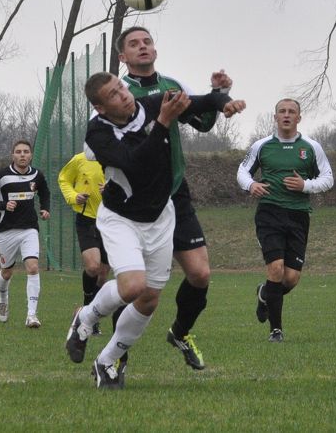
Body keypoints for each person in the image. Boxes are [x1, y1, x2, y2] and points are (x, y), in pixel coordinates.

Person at [65, 71, 245, 389]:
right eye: (113, 94)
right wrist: (162, 123)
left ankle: (106, 361)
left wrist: (224, 100)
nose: (123, 94)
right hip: (121, 218)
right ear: (101, 107)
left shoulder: (148, 104)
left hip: (161, 217)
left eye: (121, 87)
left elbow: (201, 101)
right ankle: (87, 317)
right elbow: (136, 165)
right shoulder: (98, 133)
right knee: (133, 286)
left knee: (148, 299)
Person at [116, 26, 232, 370]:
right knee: (136, 288)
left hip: (175, 193)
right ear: (123, 56)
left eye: (147, 42)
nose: (142, 47)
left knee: (200, 275)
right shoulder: (119, 93)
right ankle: (117, 356)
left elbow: (204, 123)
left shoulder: (172, 86)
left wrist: (219, 92)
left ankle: (180, 333)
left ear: (155, 49)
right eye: (134, 44)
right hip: (135, 200)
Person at [236, 99, 334, 342]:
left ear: (299, 118)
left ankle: (264, 294)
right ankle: (276, 330)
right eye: (282, 111)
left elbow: (328, 178)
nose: (287, 115)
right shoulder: (262, 145)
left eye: (292, 112)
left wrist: (305, 185)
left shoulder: (311, 147)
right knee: (276, 269)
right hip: (269, 213)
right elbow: (242, 171)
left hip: (298, 215)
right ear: (275, 117)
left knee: (290, 278)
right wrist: (251, 185)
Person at [0, 139, 51, 328]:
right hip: (6, 231)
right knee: (6, 272)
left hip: (29, 229)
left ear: (30, 155)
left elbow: (45, 192)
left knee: (33, 267)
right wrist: (4, 205)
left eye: (26, 152)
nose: (22, 155)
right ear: (13, 155)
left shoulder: (37, 175)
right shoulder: (1, 176)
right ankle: (3, 298)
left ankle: (32, 315)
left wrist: (45, 208)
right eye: (18, 152)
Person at [57, 151, 108, 335]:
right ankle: (87, 312)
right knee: (93, 267)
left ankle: (88, 315)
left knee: (102, 275)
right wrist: (74, 196)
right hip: (87, 219)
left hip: (112, 221)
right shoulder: (80, 159)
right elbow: (63, 179)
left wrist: (113, 191)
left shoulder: (117, 158)